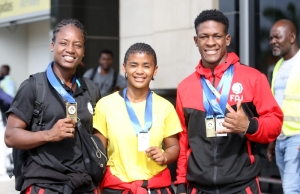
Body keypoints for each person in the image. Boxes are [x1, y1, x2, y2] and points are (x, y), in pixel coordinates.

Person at [174, 9, 283, 194]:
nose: (210, 42)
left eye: (217, 36)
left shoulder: (253, 78)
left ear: (227, 39)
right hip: (198, 188)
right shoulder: (185, 87)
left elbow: (275, 123)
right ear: (196, 41)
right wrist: (181, 184)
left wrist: (250, 126)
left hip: (242, 186)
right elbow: (182, 140)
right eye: (204, 36)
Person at [4, 19, 102, 194]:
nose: (70, 50)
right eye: (63, 43)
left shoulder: (91, 88)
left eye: (77, 45)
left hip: (83, 184)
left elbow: (98, 133)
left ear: (83, 51)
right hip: (44, 183)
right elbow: (11, 136)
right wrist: (50, 134)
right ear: (52, 45)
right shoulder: (34, 86)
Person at [93, 43, 182, 194]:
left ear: (155, 70)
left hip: (155, 188)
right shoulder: (105, 105)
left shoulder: (165, 106)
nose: (140, 71)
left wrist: (165, 156)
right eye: (134, 65)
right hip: (116, 188)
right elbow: (98, 154)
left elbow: (174, 147)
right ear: (124, 68)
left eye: (146, 66)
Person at [267, 19, 300, 194]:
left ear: (292, 37)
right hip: (280, 137)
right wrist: (272, 141)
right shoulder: (278, 66)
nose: (273, 41)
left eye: (277, 37)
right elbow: (276, 105)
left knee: (290, 188)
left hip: (297, 137)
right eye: (271, 38)